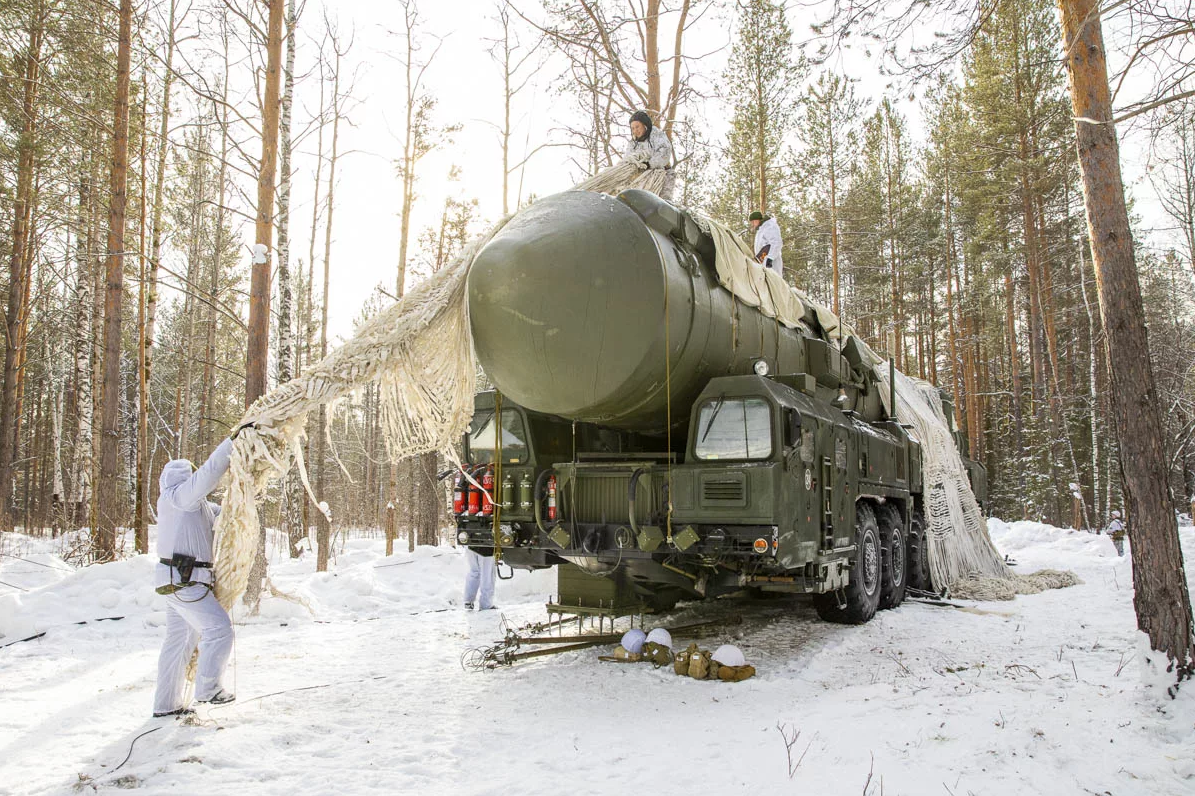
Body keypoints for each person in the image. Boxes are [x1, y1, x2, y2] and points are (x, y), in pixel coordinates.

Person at [152, 434, 241, 718]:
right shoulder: (178, 497)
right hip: (185, 581)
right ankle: (208, 689)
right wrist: (231, 443)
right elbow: (209, 474)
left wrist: (245, 494)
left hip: (176, 581)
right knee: (219, 629)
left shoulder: (193, 507)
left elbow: (224, 514)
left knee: (178, 643)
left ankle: (166, 704)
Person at [623, 110, 675, 200]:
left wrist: (649, 164)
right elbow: (627, 159)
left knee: (661, 202)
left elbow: (665, 152)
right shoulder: (633, 143)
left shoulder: (656, 135)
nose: (635, 130)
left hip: (662, 174)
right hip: (642, 177)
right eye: (633, 128)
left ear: (645, 125)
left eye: (637, 127)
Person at [749, 211, 784, 277]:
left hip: (771, 263)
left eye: (753, 222)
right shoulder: (761, 229)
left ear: (757, 220)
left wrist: (770, 258)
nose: (752, 224)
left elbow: (776, 242)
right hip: (763, 262)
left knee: (774, 282)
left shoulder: (770, 227)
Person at [462, 544, 496, 610]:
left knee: (475, 571)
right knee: (487, 574)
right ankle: (486, 604)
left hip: (469, 542)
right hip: (486, 543)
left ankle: (468, 601)